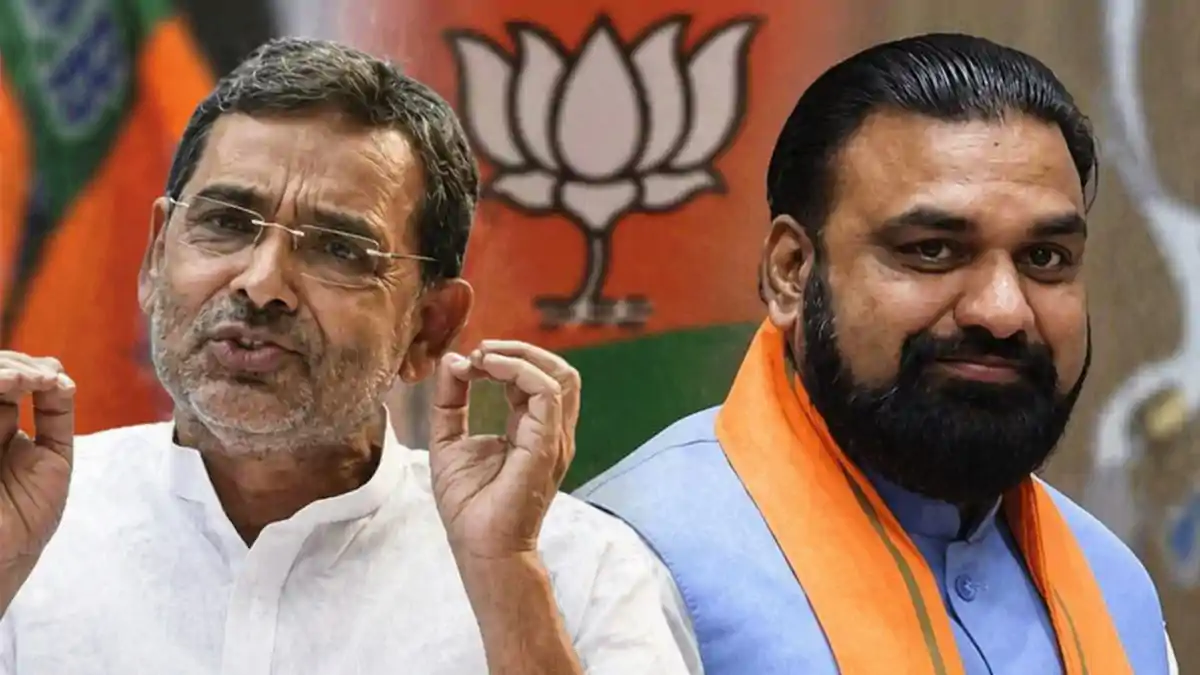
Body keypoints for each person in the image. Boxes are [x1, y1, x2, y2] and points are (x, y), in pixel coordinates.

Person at [0, 38, 698, 674]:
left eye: (338, 250)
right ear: (156, 257)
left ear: (429, 328)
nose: (262, 284)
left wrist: (503, 578)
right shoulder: (28, 522)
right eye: (226, 223)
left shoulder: (577, 572)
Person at [578, 33, 1180, 675]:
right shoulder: (625, 564)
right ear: (791, 271)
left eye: (1045, 258)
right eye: (932, 250)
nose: (1003, 311)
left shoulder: (1114, 590)